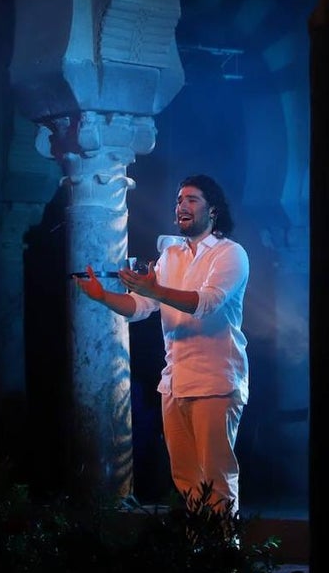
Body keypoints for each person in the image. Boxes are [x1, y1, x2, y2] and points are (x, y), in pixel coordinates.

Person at [74, 174, 250, 514]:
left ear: (212, 210)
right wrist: (103, 296)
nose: (181, 205)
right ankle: (199, 554)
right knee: (184, 477)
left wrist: (153, 290)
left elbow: (205, 303)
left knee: (216, 477)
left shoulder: (231, 254)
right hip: (175, 384)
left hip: (215, 382)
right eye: (179, 200)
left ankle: (225, 559)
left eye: (191, 199)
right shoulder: (171, 256)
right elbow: (141, 307)